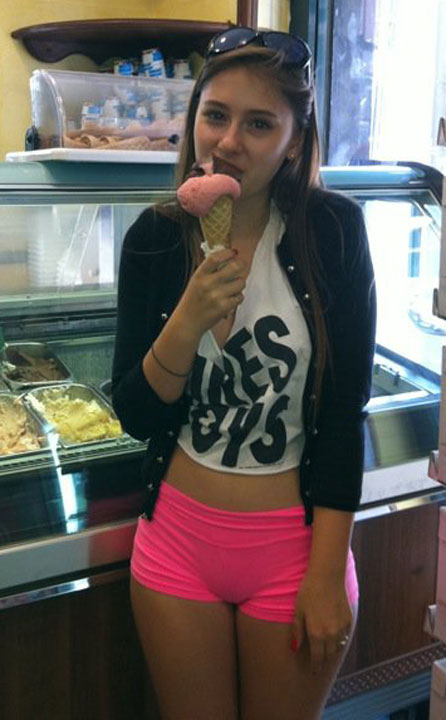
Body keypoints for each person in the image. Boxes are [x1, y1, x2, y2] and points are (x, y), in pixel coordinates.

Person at [112, 26, 376, 720]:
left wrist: (327, 576)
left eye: (259, 123)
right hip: (176, 541)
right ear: (194, 119)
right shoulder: (153, 239)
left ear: (294, 140)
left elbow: (344, 413)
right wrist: (187, 319)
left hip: (294, 549)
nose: (229, 141)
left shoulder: (334, 233)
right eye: (216, 115)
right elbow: (135, 415)